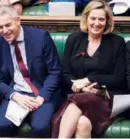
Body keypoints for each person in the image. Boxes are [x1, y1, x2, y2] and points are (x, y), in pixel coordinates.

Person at [52, 0, 126, 138]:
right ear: (86, 18)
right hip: (78, 94)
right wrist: (79, 86)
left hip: (104, 97)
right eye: (93, 18)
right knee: (82, 123)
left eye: (101, 19)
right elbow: (65, 73)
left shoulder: (117, 42)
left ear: (107, 21)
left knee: (76, 104)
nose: (96, 23)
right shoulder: (74, 39)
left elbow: (119, 78)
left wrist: (88, 80)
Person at [0, 5, 62, 137]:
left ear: (18, 20)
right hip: (16, 92)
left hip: (41, 91)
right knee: (2, 126)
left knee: (40, 127)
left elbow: (55, 72)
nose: (4, 30)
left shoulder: (41, 38)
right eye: (0, 27)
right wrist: (15, 96)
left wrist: (41, 98)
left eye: (8, 25)